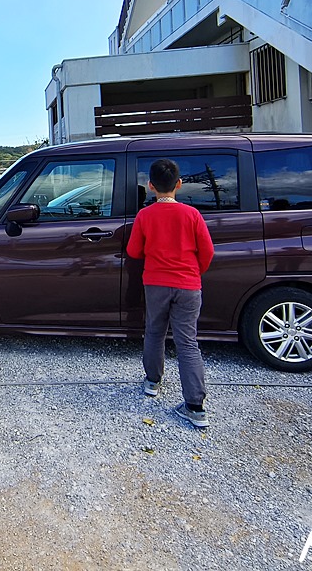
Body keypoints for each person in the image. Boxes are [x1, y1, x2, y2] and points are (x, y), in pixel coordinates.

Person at [126, 158, 215, 428]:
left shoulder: (145, 216)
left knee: (154, 332)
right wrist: (193, 273)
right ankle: (195, 407)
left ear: (151, 186)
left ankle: (152, 382)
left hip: (155, 284)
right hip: (188, 285)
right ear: (179, 184)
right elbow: (208, 252)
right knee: (188, 342)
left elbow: (133, 251)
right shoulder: (192, 215)